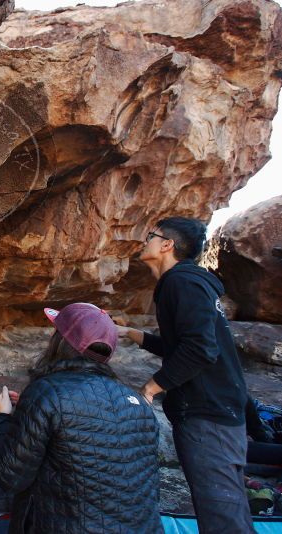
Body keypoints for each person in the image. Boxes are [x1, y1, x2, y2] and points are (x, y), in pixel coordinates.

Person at [118, 217, 253, 533]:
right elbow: (183, 345)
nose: (145, 240)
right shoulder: (188, 282)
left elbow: (201, 350)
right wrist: (130, 333)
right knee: (228, 507)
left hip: (207, 416)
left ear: (167, 245)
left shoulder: (182, 283)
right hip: (219, 412)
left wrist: (151, 388)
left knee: (222, 517)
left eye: (151, 235)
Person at [0, 303, 161, 534]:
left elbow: (9, 478)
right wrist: (32, 413)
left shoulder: (46, 392)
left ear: (60, 340)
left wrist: (3, 418)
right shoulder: (138, 403)